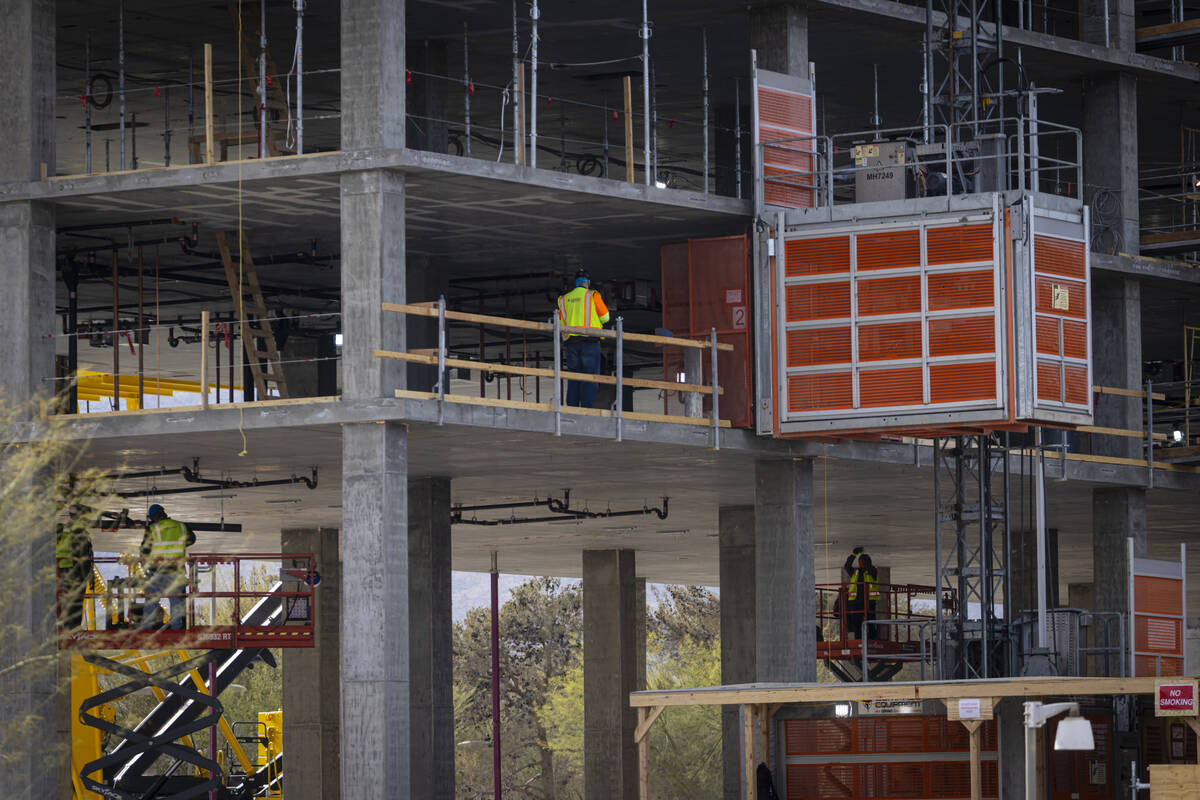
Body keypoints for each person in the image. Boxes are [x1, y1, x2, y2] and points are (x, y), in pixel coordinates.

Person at [556, 269, 611, 408]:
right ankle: (587, 409)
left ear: (576, 283)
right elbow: (605, 318)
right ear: (587, 282)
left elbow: (562, 322)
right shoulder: (592, 295)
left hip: (571, 344)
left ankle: (572, 408)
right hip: (590, 343)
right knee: (590, 378)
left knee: (574, 378)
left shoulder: (563, 299)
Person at [138, 504, 195, 630]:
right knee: (175, 601)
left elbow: (145, 550)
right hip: (176, 570)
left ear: (153, 517)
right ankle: (176, 628)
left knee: (151, 600)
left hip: (156, 570)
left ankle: (146, 628)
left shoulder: (153, 528)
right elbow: (192, 539)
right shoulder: (180, 526)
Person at [56, 512, 94, 630]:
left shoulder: (67, 533)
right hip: (71, 572)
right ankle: (71, 628)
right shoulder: (78, 535)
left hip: (67, 572)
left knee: (70, 602)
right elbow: (84, 558)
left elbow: (88, 558)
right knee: (73, 603)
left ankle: (69, 627)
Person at [843, 547, 879, 640]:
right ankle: (858, 640)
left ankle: (872, 640)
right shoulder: (856, 573)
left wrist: (862, 556)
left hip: (869, 602)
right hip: (856, 603)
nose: (861, 563)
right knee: (857, 624)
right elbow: (847, 566)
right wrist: (854, 555)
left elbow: (868, 566)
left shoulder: (872, 571)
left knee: (871, 623)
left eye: (863, 562)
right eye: (860, 562)